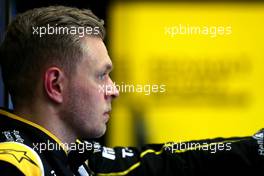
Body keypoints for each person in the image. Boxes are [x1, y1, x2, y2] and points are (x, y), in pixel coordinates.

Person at [0, 5, 263, 176]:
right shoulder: (15, 165)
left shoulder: (72, 154)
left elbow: (163, 162)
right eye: (102, 75)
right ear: (55, 84)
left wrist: (256, 146)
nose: (114, 90)